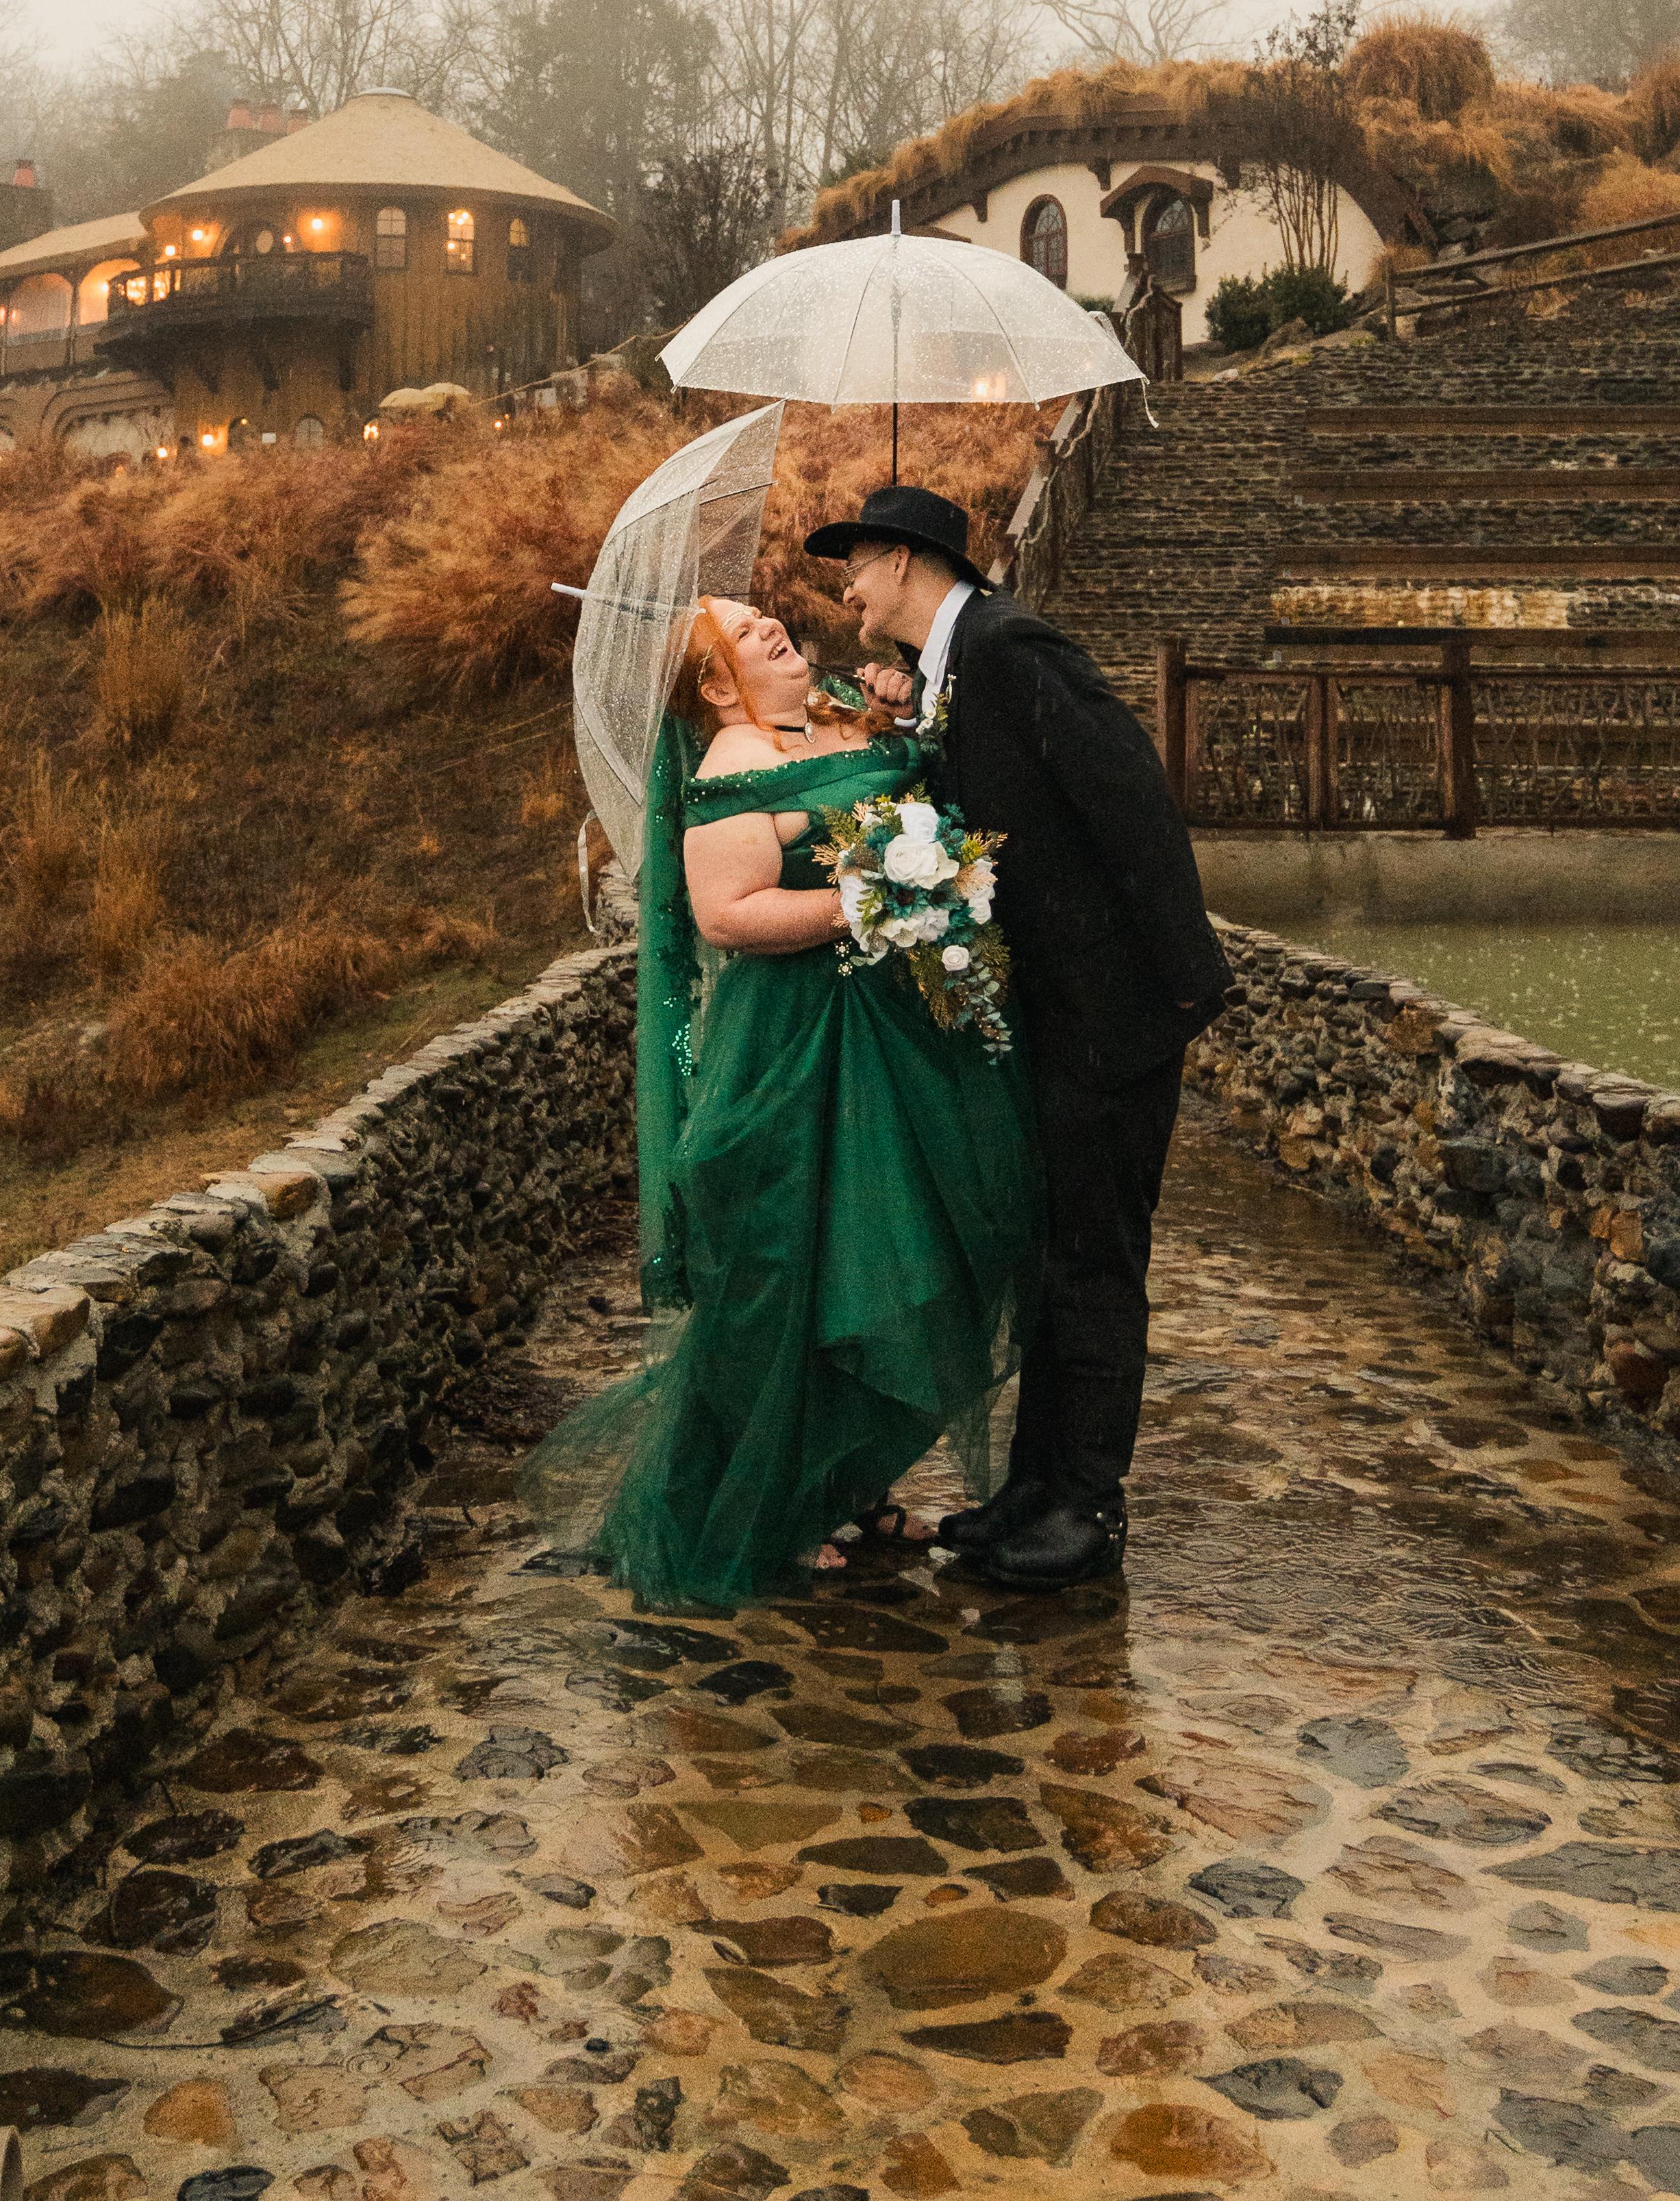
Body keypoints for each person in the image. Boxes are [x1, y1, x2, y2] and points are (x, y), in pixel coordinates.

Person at [529, 591, 1042, 1609]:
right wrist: (871, 900)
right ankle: (772, 1507)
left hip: (901, 1041)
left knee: (895, 1259)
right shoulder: (732, 771)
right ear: (717, 686)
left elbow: (911, 766)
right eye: (743, 631)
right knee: (796, 1271)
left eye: (763, 614)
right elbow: (728, 917)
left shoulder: (840, 711)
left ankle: (850, 1480)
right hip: (795, 1050)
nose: (769, 625)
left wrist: (899, 709)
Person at [809, 480, 1235, 1591]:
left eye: (854, 565)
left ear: (906, 561)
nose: (847, 590)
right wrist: (907, 720)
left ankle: (1087, 1506)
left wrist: (1179, 986)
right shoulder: (953, 670)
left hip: (1113, 1014)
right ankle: (1037, 1488)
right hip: (1057, 1016)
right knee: (1054, 1255)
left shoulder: (1008, 645)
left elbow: (1131, 794)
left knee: (1095, 1260)